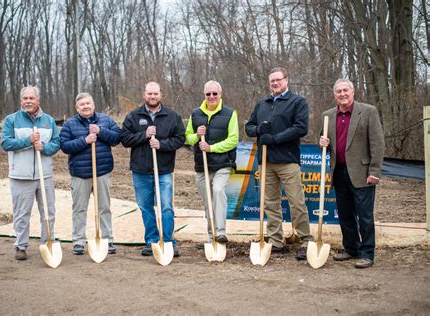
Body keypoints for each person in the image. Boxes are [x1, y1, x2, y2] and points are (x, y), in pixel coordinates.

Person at [245, 67, 313, 261]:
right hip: (266, 161)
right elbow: (249, 127)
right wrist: (259, 129)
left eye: (278, 80)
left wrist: (274, 139)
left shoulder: (297, 102)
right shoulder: (262, 104)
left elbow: (300, 128)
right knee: (270, 203)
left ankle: (305, 239)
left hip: (288, 160)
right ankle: (276, 240)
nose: (275, 83)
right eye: (272, 81)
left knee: (296, 202)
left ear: (286, 80)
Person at [319, 78, 384, 269]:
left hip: (362, 173)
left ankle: (367, 253)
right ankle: (351, 248)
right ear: (334, 95)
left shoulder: (368, 112)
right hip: (338, 172)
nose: (342, 94)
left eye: (345, 90)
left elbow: (378, 144)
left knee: (364, 216)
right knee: (345, 215)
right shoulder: (328, 115)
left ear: (353, 91)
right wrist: (322, 143)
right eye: (338, 91)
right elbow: (324, 142)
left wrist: (374, 171)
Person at [121, 81, 185, 257]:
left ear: (161, 95)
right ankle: (151, 241)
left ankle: (168, 241)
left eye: (155, 93)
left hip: (164, 170)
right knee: (146, 207)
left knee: (166, 207)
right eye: (149, 94)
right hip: (140, 170)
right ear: (144, 95)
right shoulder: (134, 116)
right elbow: (124, 139)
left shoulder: (172, 116)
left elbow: (180, 139)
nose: (152, 96)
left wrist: (162, 144)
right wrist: (144, 135)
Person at [1, 85, 60, 261]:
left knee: (48, 212)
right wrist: (28, 141)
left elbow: (57, 143)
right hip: (21, 175)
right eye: (25, 98)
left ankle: (47, 242)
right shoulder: (11, 120)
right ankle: (21, 246)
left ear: (38, 101)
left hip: (45, 175)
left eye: (31, 98)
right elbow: (6, 143)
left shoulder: (48, 121)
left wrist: (44, 147)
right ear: (21, 101)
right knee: (22, 213)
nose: (28, 101)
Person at [60, 92, 121, 255]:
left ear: (93, 105)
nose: (86, 106)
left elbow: (117, 138)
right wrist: (85, 140)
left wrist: (100, 131)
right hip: (80, 174)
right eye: (82, 104)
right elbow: (65, 146)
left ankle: (107, 239)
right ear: (77, 108)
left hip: (102, 171)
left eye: (88, 103)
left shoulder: (105, 120)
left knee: (104, 207)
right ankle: (79, 241)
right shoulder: (69, 124)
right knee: (79, 208)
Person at [185, 80, 238, 245]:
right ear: (204, 95)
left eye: (215, 93)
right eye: (208, 94)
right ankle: (211, 236)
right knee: (208, 202)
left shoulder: (230, 113)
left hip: (223, 164)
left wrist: (211, 148)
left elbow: (233, 140)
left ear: (220, 94)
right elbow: (187, 137)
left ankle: (221, 232)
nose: (211, 97)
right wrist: (196, 135)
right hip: (202, 166)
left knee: (218, 190)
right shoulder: (195, 114)